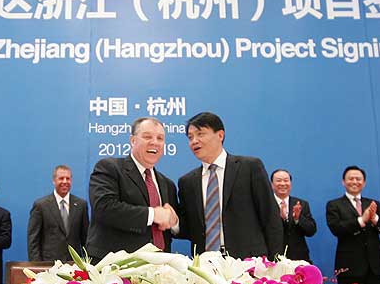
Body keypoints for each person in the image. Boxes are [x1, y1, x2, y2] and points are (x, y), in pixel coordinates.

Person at [177, 112, 282, 259]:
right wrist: (173, 222)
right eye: (190, 137)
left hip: (248, 262)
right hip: (207, 265)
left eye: (200, 134)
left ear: (220, 135)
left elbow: (270, 217)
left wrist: (274, 262)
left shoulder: (249, 167)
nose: (194, 141)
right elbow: (189, 229)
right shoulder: (187, 182)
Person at [86, 117, 179, 260]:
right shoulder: (109, 168)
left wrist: (174, 222)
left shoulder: (168, 184)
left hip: (159, 267)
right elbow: (104, 208)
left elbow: (171, 227)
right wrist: (153, 214)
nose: (155, 142)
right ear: (133, 140)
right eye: (147, 137)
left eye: (160, 138)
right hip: (116, 266)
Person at [325, 166, 380, 284]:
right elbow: (336, 229)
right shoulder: (334, 205)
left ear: (364, 182)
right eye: (351, 178)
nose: (355, 181)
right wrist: (361, 220)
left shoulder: (373, 204)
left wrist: (374, 218)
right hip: (349, 266)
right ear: (343, 182)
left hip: (375, 266)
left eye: (358, 179)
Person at [27, 165, 89, 262]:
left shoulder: (81, 205)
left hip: (74, 264)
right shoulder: (41, 205)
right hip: (49, 264)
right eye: (61, 178)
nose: (65, 181)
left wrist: (86, 263)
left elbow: (85, 238)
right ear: (54, 180)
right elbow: (33, 239)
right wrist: (37, 265)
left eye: (68, 178)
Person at [270, 169, 317, 263]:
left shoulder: (301, 204)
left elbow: (311, 231)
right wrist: (281, 219)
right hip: (273, 257)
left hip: (298, 257)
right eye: (279, 180)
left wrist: (297, 219)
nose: (283, 183)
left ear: (290, 183)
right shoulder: (266, 204)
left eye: (286, 180)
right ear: (271, 184)